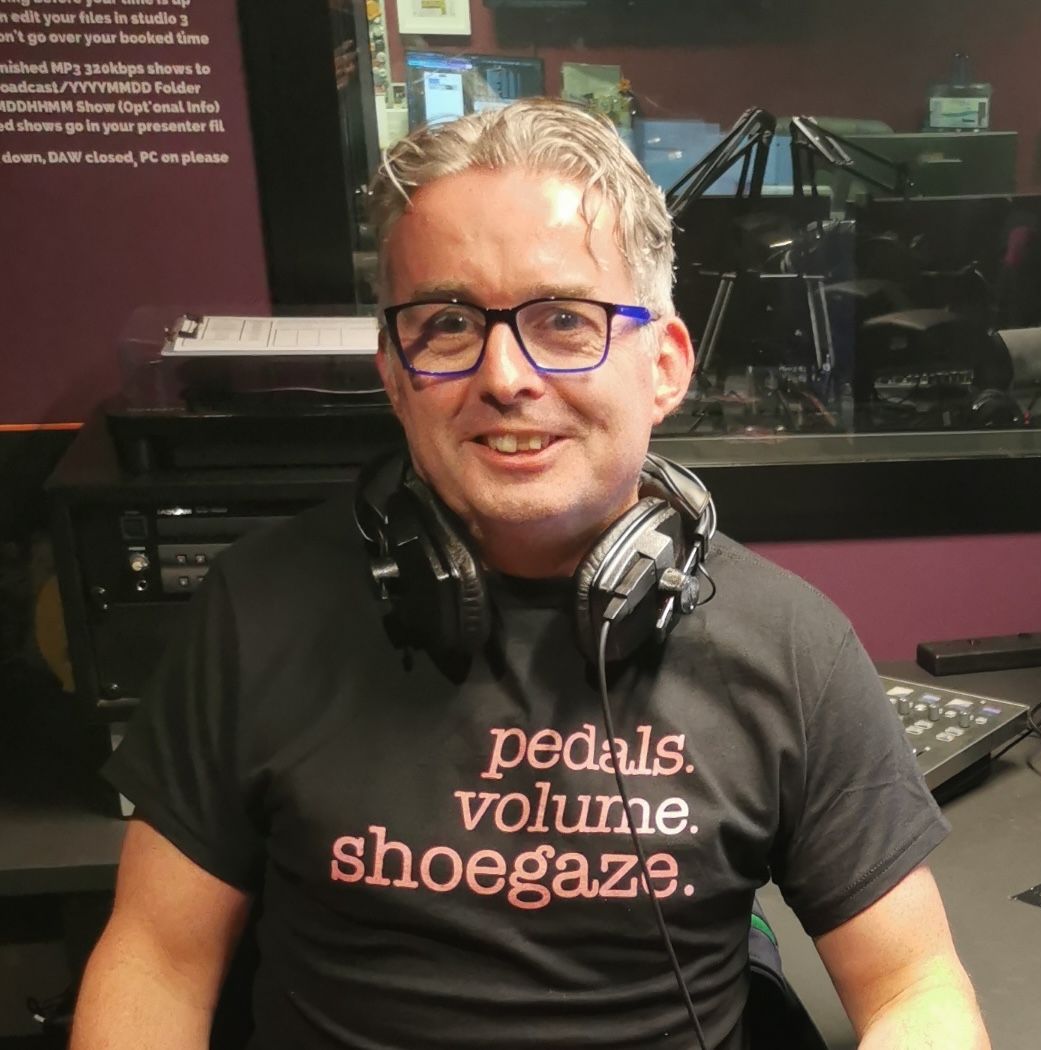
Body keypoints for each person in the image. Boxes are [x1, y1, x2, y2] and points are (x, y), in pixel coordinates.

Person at [71, 98, 989, 1050]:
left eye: (563, 320)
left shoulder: (791, 644)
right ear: (393, 370)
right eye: (448, 323)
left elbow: (913, 987)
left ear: (665, 366)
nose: (505, 376)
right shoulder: (257, 610)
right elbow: (156, 962)